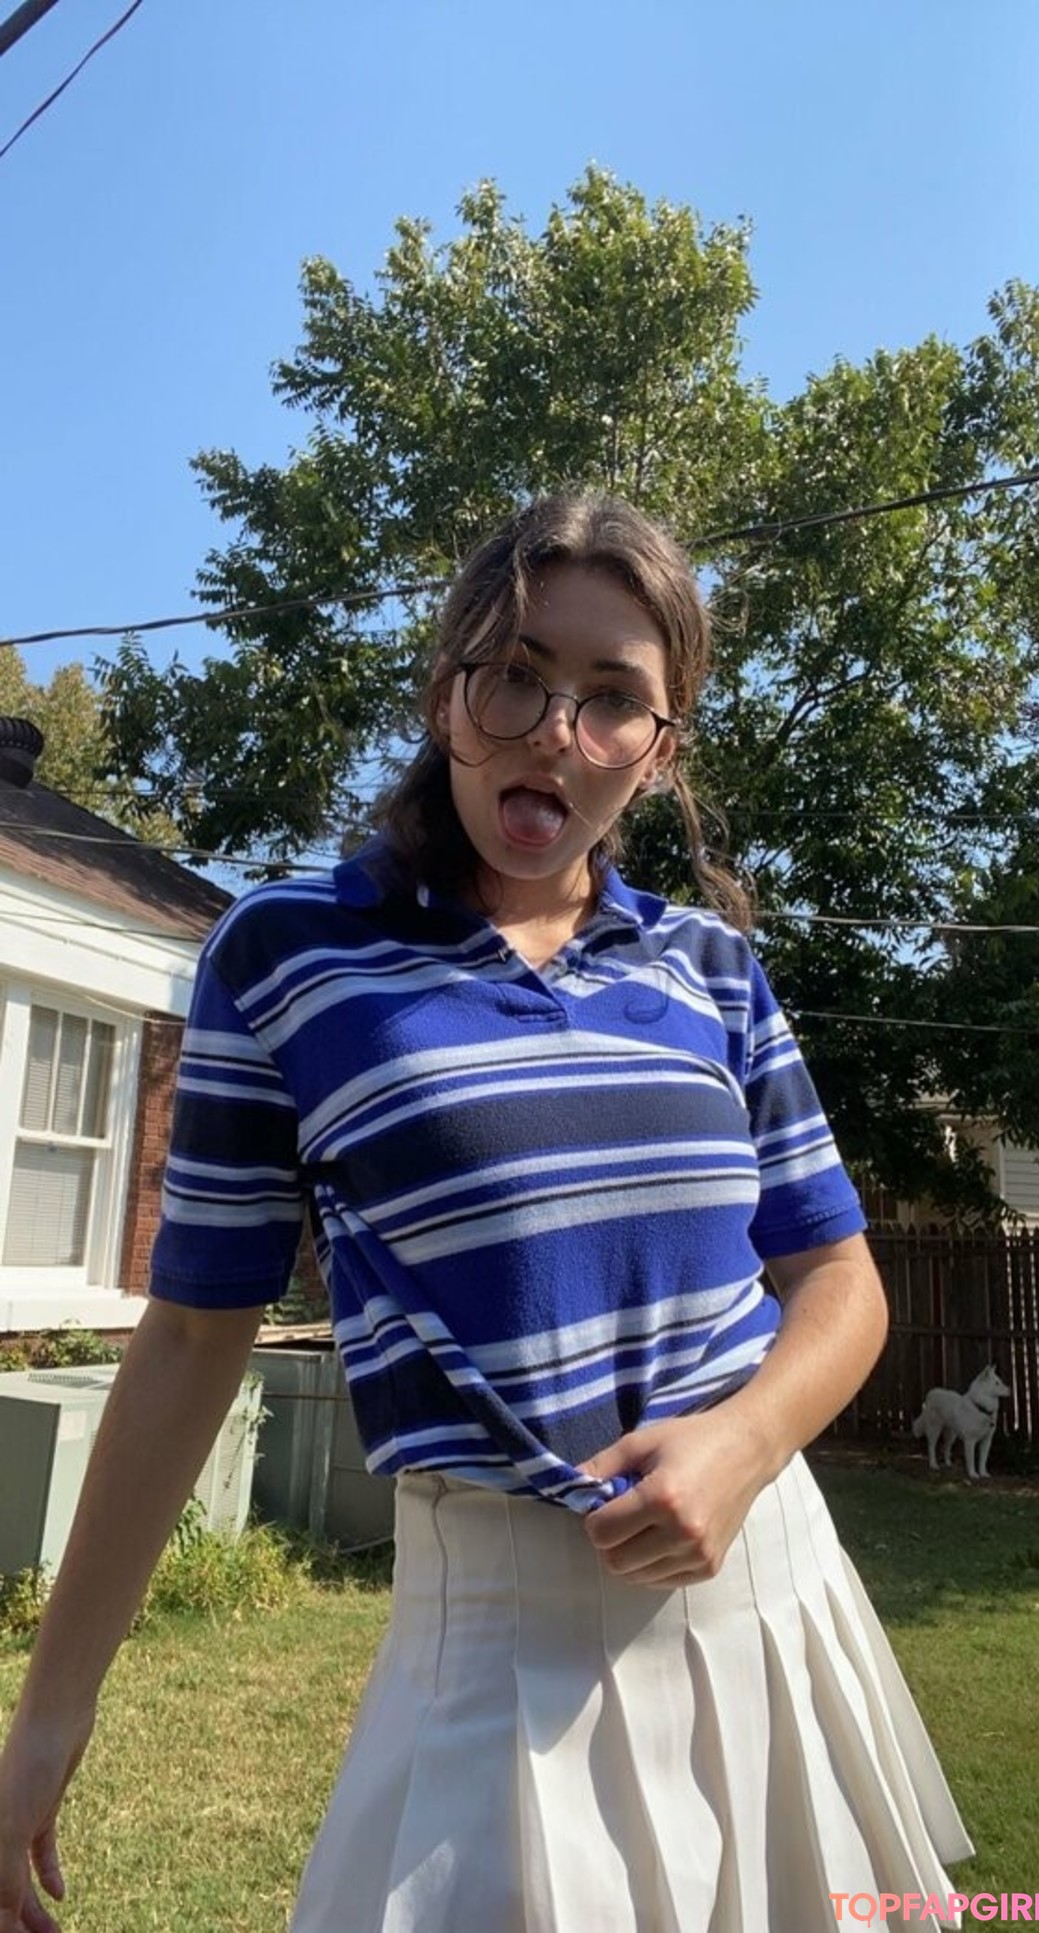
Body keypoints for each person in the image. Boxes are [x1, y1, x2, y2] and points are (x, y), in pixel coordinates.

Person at [0, 493, 973, 1933]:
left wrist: (746, 1442)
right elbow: (194, 1336)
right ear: (446, 689)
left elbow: (842, 1283)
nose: (556, 732)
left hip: (773, 1601)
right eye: (516, 673)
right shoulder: (287, 956)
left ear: (661, 748)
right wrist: (50, 1709)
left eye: (614, 698)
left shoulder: (711, 969)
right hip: (497, 1653)